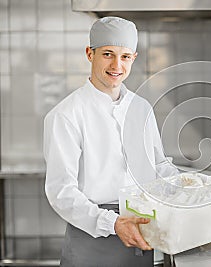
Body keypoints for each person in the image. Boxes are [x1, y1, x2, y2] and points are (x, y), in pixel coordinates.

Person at [43, 16, 178, 266]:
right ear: (89, 54)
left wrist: (188, 188)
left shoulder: (141, 108)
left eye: (125, 56)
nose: (117, 64)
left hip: (141, 230)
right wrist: (113, 223)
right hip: (91, 238)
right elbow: (61, 191)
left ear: (133, 59)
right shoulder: (66, 115)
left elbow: (158, 165)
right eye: (108, 54)